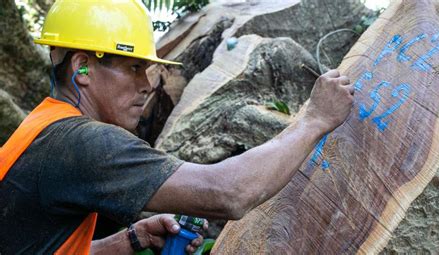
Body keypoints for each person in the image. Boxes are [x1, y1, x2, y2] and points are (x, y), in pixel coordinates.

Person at [0, 0, 354, 254]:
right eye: (134, 67)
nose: (147, 83)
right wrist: (315, 119)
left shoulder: (43, 125)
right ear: (82, 68)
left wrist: (128, 240)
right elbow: (228, 193)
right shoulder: (83, 143)